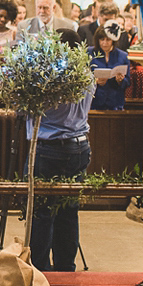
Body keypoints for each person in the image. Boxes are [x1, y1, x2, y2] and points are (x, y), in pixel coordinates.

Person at [28, 29, 95, 272]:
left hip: (51, 147)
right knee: (69, 210)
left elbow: (38, 111)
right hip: (79, 145)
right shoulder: (86, 73)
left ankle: (40, 269)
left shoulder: (52, 77)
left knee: (42, 211)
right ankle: (66, 267)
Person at [90, 22, 130, 110]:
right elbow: (82, 78)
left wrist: (120, 80)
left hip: (115, 102)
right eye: (102, 39)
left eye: (108, 40)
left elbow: (128, 82)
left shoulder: (123, 56)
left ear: (113, 40)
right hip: (94, 102)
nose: (104, 43)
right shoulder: (90, 53)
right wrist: (95, 81)